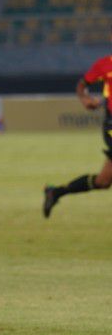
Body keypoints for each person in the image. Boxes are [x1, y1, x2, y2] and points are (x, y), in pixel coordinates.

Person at [43, 35, 112, 218]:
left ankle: (55, 192)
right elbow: (82, 85)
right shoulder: (104, 65)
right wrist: (85, 99)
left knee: (103, 181)